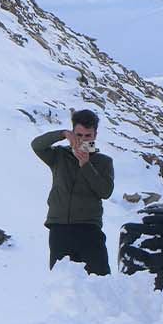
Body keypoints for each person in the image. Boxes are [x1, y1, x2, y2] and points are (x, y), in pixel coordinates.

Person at [30, 109, 115, 275]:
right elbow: (37, 145)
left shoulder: (103, 162)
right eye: (78, 135)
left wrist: (86, 165)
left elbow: (105, 192)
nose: (82, 140)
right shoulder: (59, 156)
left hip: (89, 229)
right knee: (64, 286)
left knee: (100, 281)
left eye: (87, 136)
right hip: (59, 228)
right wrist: (62, 134)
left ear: (95, 135)